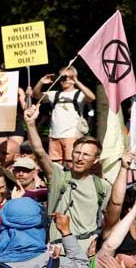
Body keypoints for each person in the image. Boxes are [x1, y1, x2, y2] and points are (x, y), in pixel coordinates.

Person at [25, 104, 112, 253]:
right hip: (58, 251)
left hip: (87, 254)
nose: (79, 158)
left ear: (96, 159)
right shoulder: (58, 175)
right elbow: (40, 153)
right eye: (77, 153)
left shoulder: (103, 186)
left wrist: (98, 245)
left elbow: (108, 221)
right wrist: (31, 124)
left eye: (86, 155)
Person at [32, 66, 96, 166]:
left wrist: (76, 81)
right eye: (62, 77)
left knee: (71, 163)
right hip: (54, 136)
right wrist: (41, 82)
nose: (64, 80)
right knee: (55, 165)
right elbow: (36, 95)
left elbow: (91, 97)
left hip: (72, 135)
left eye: (67, 77)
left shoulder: (79, 94)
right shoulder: (55, 94)